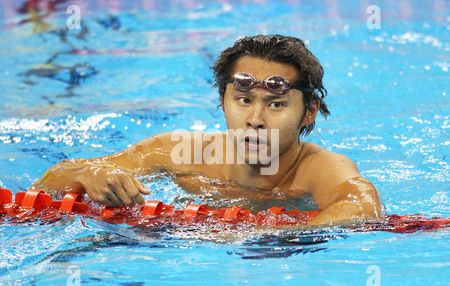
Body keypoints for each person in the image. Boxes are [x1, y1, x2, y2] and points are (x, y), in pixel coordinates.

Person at [33, 34, 383, 225]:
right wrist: (91, 173)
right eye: (243, 100)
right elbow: (47, 182)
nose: (255, 118)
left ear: (309, 113)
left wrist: (268, 235)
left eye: (276, 104)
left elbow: (363, 207)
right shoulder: (178, 151)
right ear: (223, 99)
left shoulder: (319, 168)